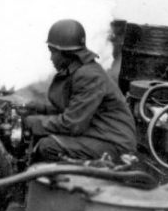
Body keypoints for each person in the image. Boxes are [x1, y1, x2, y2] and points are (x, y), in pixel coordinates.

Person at [22, 19, 137, 163]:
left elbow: (72, 124)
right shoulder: (79, 71)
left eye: (53, 52)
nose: (51, 58)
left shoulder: (88, 75)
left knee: (48, 146)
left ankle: (54, 183)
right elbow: (73, 109)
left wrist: (37, 122)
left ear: (67, 54)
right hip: (100, 135)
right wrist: (41, 109)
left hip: (114, 144)